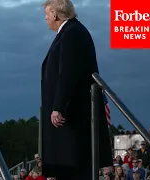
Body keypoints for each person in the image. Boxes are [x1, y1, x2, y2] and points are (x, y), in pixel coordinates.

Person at [40, 0, 113, 179]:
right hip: (70, 117)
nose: (46, 18)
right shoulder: (69, 32)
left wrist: (58, 106)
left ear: (55, 15)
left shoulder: (72, 33)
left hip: (72, 117)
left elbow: (68, 72)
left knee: (75, 168)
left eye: (47, 14)